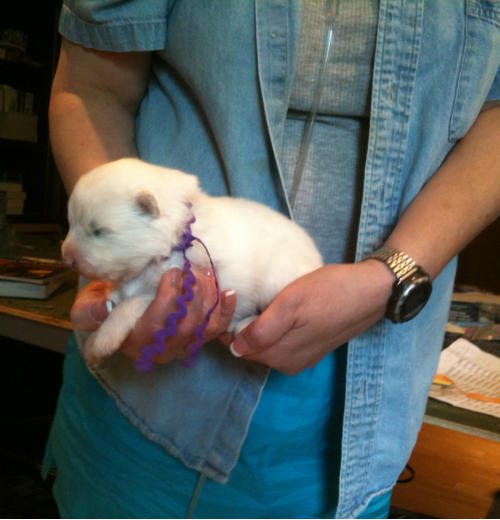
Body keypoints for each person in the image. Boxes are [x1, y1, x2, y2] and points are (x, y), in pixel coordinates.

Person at [44, 1, 500, 518]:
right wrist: (117, 251)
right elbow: (90, 87)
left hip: (368, 407)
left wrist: (393, 272)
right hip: (143, 411)